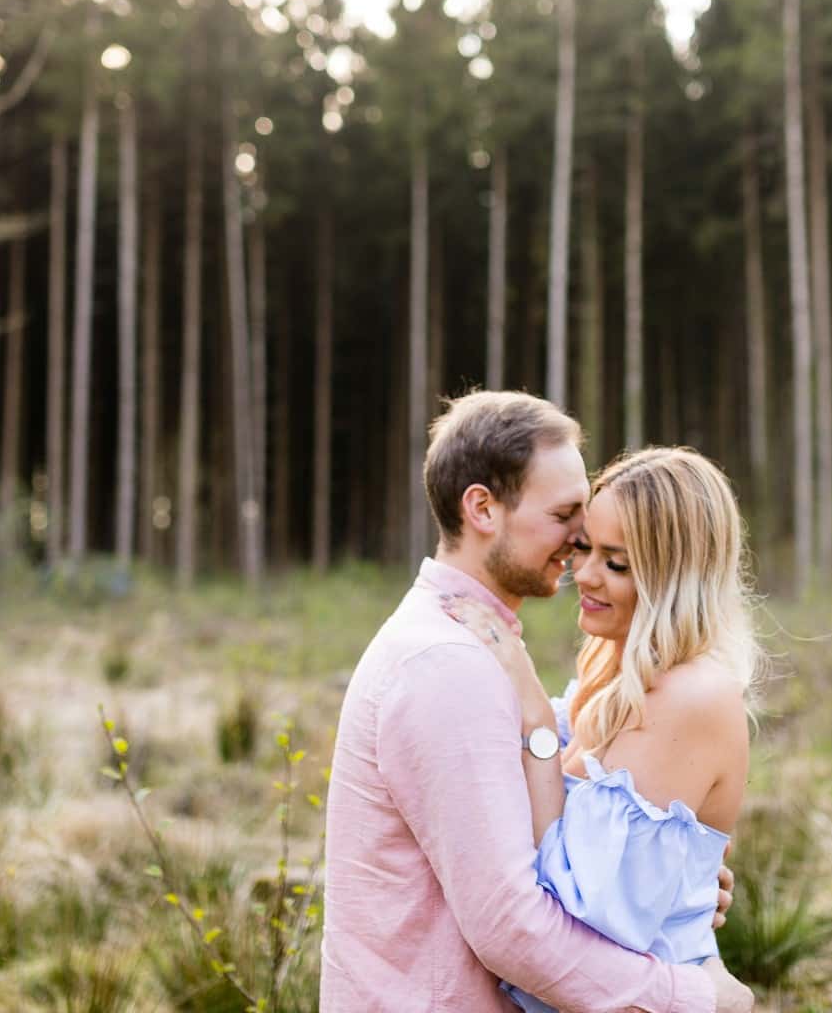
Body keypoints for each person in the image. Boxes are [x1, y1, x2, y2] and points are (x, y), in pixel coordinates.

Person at [322, 391, 754, 1012]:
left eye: (613, 554)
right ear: (483, 509)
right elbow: (514, 925)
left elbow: (574, 859)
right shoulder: (450, 665)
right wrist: (691, 996)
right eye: (565, 515)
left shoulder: (473, 649)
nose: (580, 543)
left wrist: (669, 877)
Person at [441, 446, 760, 1013]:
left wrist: (533, 712)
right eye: (584, 547)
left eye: (617, 563)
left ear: (673, 579)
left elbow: (578, 909)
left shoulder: (692, 696)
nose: (582, 575)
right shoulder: (615, 673)